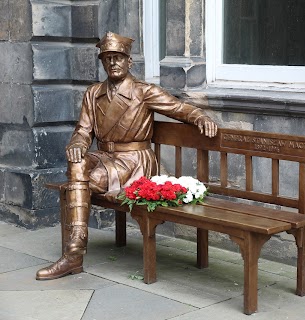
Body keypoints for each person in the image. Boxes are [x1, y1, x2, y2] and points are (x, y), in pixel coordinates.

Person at [36, 32, 218, 280]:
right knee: (77, 161)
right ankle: (76, 244)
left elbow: (178, 108)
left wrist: (200, 116)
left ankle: (73, 254)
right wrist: (77, 143)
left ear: (129, 61)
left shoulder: (144, 92)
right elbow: (83, 130)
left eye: (118, 57)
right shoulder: (93, 93)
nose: (113, 63)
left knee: (77, 183)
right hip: (104, 156)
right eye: (107, 58)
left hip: (134, 162)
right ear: (102, 63)